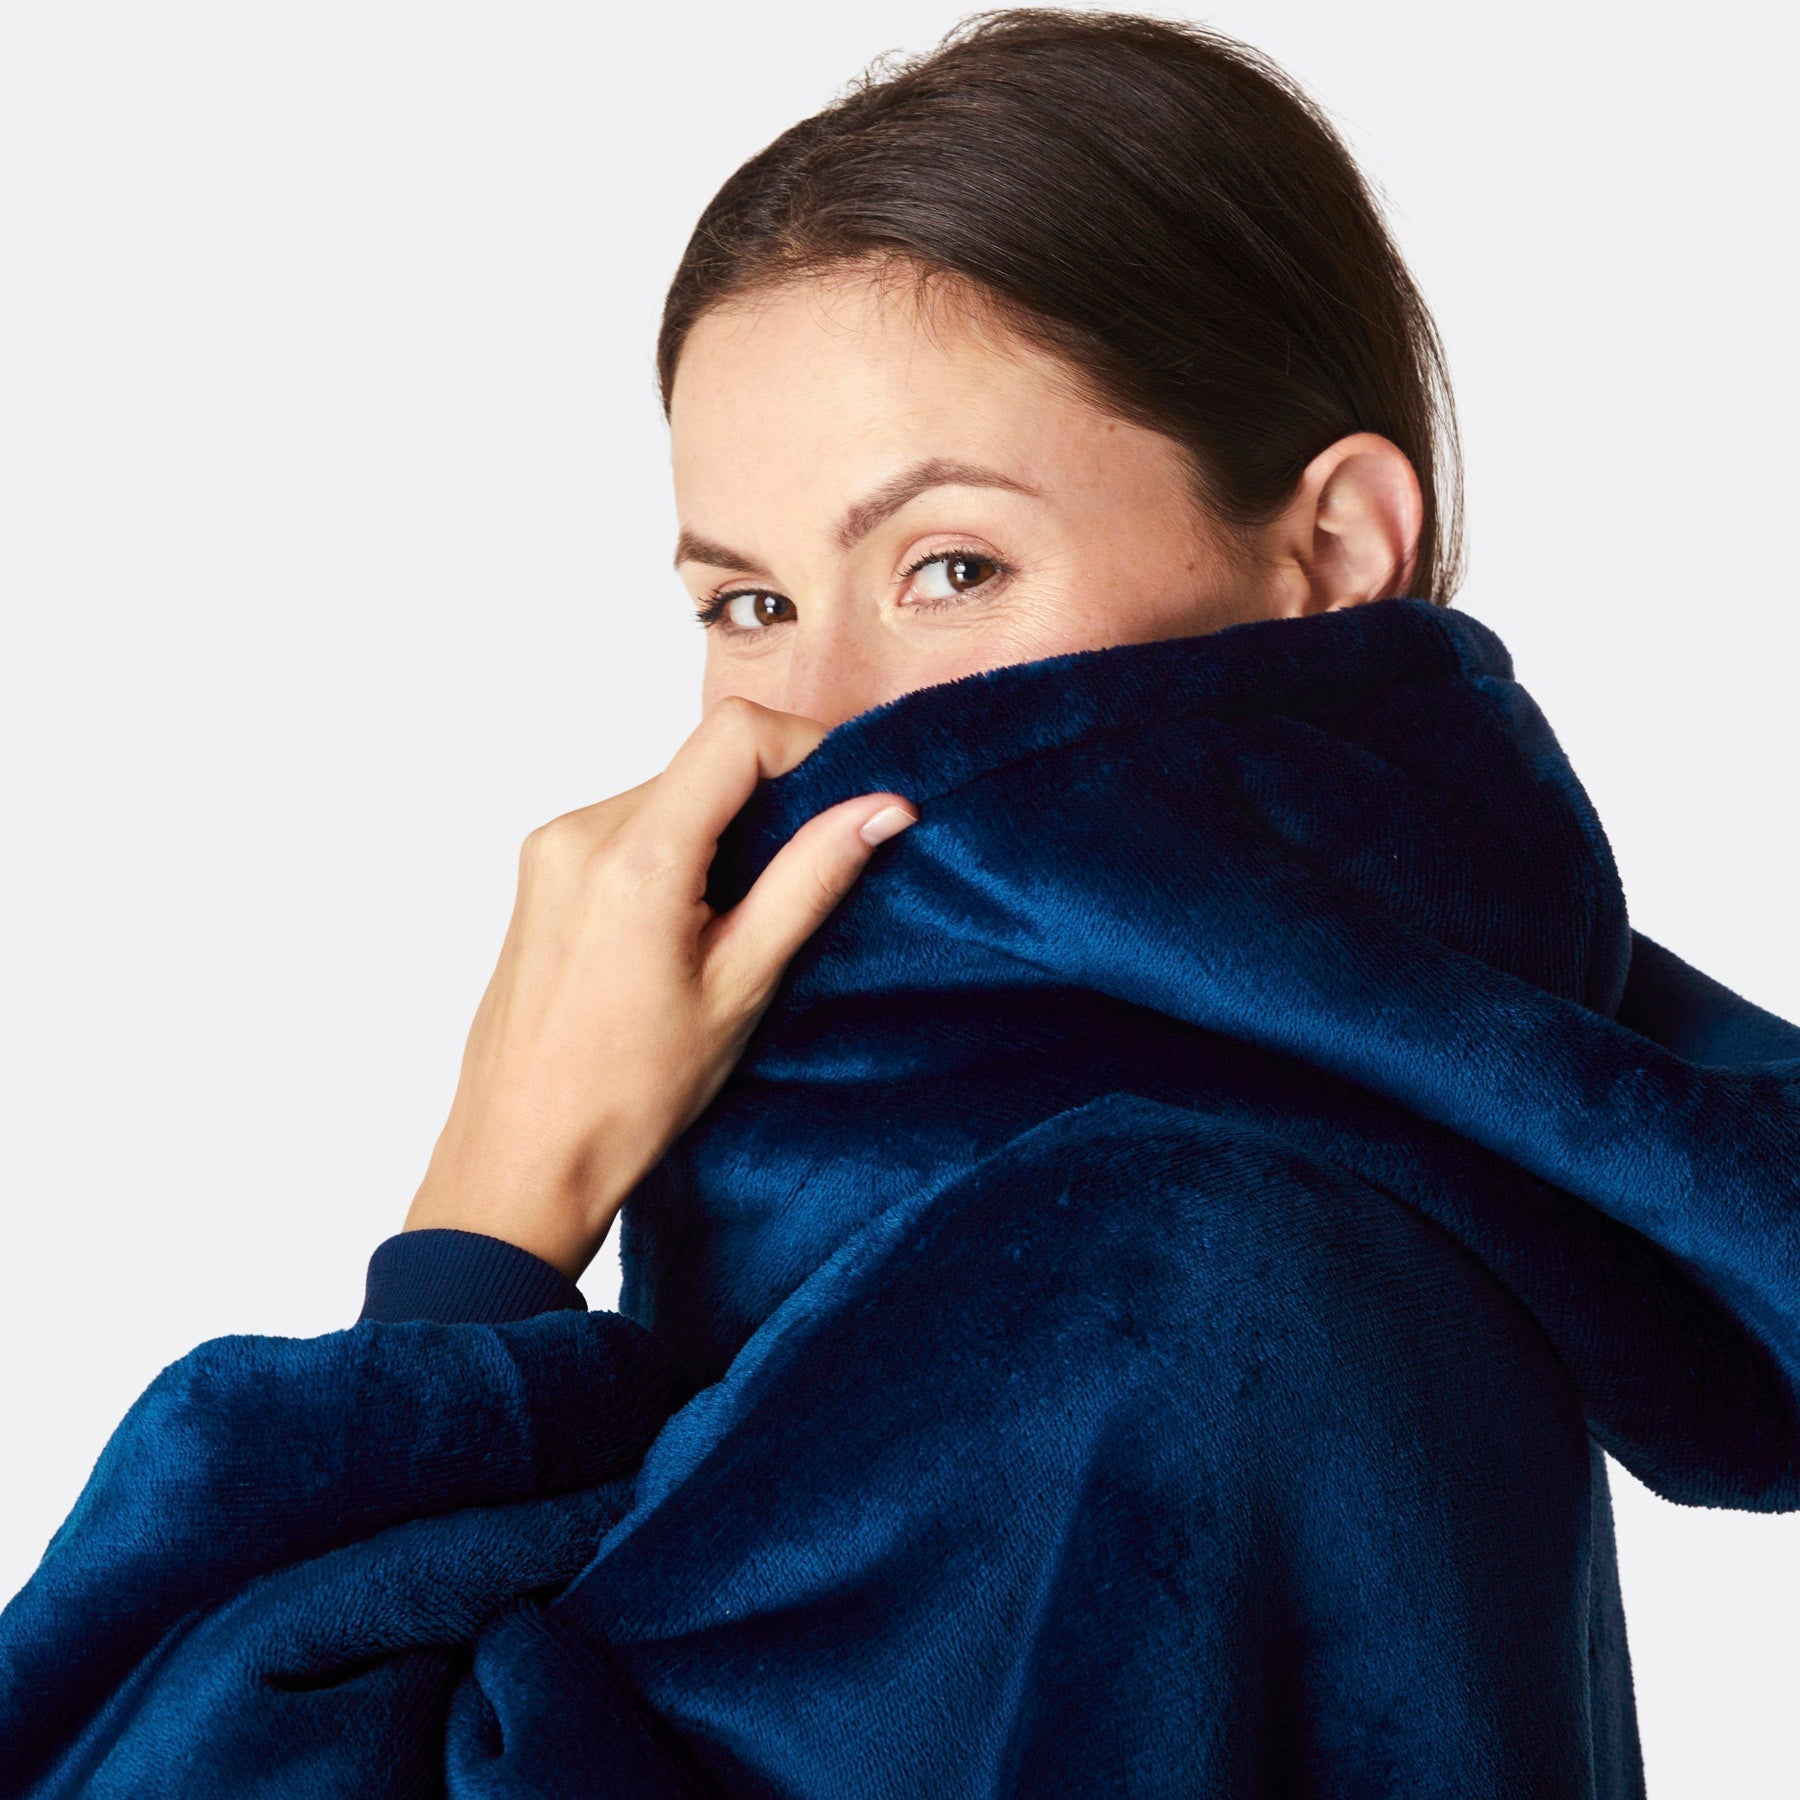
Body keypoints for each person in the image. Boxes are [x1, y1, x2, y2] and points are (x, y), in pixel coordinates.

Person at [3, 10, 1796, 1797]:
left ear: (1328, 552)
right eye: (749, 606)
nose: (814, 719)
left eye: (950, 567)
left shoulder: (1140, 1267)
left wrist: (490, 1217)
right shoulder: (1373, 1187)